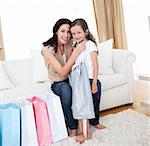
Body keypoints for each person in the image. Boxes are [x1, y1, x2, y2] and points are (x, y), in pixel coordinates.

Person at [41, 18, 86, 137]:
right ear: (56, 31)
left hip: (71, 78)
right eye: (62, 31)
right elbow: (61, 72)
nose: (66, 35)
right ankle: (72, 126)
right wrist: (75, 53)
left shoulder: (70, 42)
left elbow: (85, 39)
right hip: (58, 83)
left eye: (68, 32)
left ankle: (91, 121)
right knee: (66, 89)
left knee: (95, 84)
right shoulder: (46, 50)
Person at [69, 18, 105, 143]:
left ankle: (94, 122)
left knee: (94, 102)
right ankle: (85, 130)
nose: (76, 36)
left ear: (85, 32)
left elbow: (95, 64)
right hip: (81, 81)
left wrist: (94, 82)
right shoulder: (76, 46)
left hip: (91, 80)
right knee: (84, 104)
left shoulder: (90, 45)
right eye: (73, 34)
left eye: (78, 33)